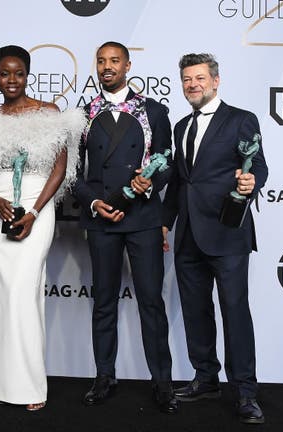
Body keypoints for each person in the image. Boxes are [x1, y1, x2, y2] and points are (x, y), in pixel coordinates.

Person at [162, 53, 268, 424]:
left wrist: (252, 182)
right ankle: (205, 378)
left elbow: (259, 166)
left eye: (200, 78)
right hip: (188, 234)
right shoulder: (180, 126)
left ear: (216, 81)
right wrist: (165, 223)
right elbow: (180, 181)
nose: (193, 85)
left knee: (234, 312)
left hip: (228, 231)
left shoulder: (241, 119)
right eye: (187, 79)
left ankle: (245, 392)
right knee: (196, 311)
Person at [71, 41, 177, 413]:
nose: (107, 66)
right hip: (102, 218)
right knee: (103, 301)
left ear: (128, 65)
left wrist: (151, 182)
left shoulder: (154, 111)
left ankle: (162, 382)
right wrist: (94, 202)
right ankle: (104, 376)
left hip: (144, 218)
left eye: (114, 60)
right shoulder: (82, 115)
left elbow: (167, 163)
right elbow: (72, 173)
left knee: (151, 301)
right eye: (101, 61)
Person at [0, 45, 84, 411]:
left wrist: (36, 211)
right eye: (4, 73)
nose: (12, 80)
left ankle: (31, 387)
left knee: (24, 293)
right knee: (3, 296)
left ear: (28, 75)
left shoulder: (50, 112)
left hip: (36, 206)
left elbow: (60, 168)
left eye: (19, 73)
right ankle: (4, 386)